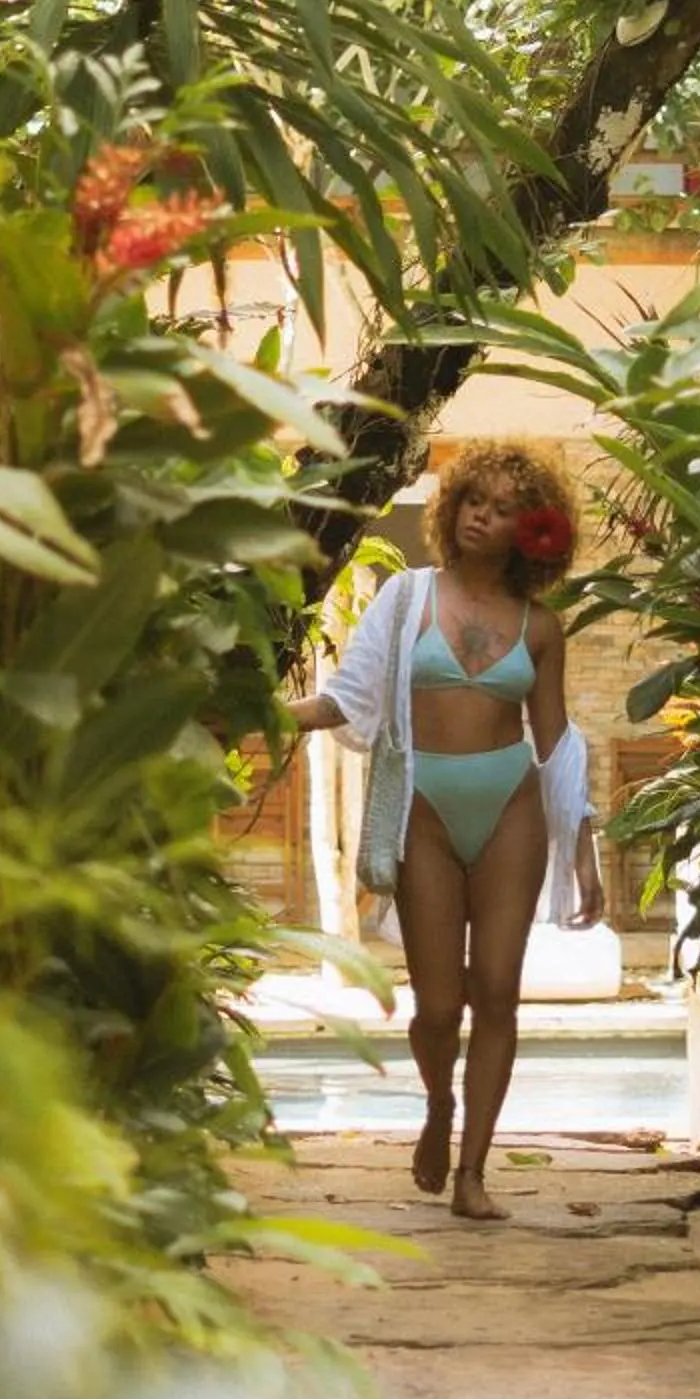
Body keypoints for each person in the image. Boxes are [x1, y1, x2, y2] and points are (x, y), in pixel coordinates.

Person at [283, 441, 606, 1220]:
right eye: (472, 502)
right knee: (436, 1007)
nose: (480, 518)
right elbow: (347, 699)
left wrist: (585, 850)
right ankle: (437, 1104)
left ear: (529, 532)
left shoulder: (540, 629)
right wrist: (264, 715)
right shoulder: (406, 599)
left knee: (497, 991)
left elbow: (556, 739)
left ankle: (472, 1174)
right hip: (424, 808)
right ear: (452, 505)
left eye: (500, 510)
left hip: (509, 806)